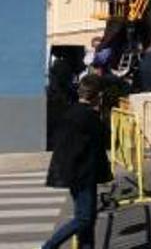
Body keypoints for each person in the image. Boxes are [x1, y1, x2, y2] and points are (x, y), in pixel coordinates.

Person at [43, 75, 113, 249]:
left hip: (75, 172)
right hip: (83, 173)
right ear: (98, 95)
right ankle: (49, 246)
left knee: (87, 218)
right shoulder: (89, 117)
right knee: (84, 218)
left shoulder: (72, 112)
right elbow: (105, 139)